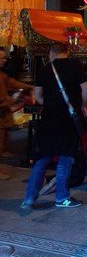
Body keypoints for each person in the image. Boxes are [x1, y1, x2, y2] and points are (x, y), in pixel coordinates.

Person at [20, 43, 87, 209]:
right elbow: (86, 88)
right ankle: (62, 197)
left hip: (48, 119)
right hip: (68, 120)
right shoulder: (75, 66)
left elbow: (37, 96)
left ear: (51, 53)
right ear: (67, 52)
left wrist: (51, 104)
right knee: (66, 157)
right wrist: (81, 105)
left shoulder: (45, 69)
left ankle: (29, 198)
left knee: (42, 158)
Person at [0, 47, 34, 180]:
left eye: (4, 58)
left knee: (3, 143)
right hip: (1, 113)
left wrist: (29, 87)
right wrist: (12, 99)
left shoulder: (2, 75)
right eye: (1, 58)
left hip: (4, 115)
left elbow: (12, 83)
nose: (3, 61)